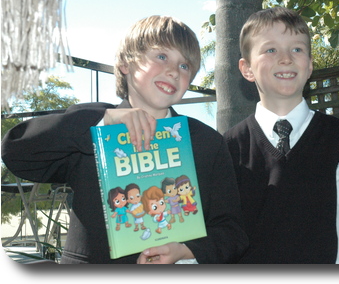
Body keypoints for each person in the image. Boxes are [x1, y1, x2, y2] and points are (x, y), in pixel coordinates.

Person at [1, 15, 248, 264]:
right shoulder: (90, 125)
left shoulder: (207, 142)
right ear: (125, 64)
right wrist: (101, 123)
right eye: (161, 57)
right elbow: (16, 152)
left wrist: (187, 251)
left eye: (184, 66)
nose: (173, 71)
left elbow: (231, 231)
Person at [223, 7, 339, 263]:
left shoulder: (338, 137)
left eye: (297, 49)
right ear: (246, 68)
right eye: (270, 50)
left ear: (310, 66)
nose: (286, 58)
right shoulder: (229, 146)